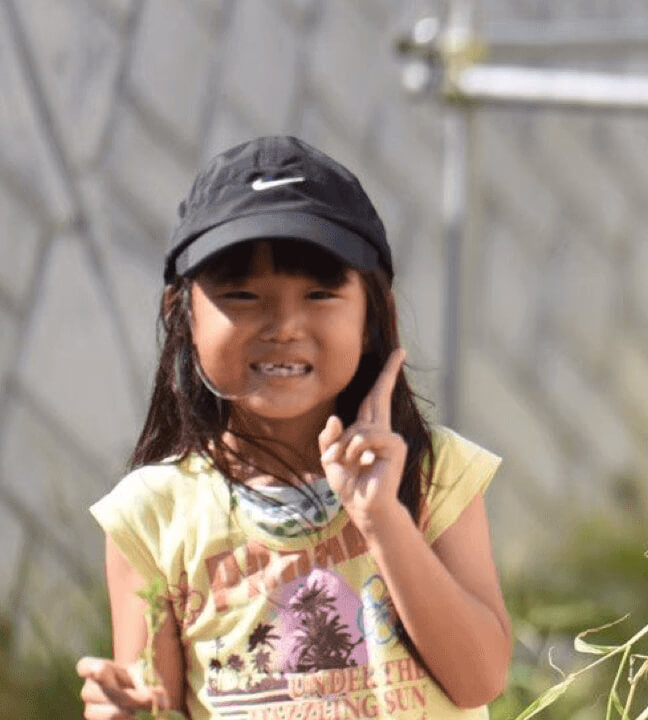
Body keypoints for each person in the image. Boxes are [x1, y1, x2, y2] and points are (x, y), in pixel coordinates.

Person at [76, 135, 511, 719]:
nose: (284, 324)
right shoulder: (149, 516)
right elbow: (154, 700)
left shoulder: (435, 472)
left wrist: (384, 519)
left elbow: (479, 678)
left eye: (320, 293)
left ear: (373, 313)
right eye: (243, 294)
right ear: (179, 313)